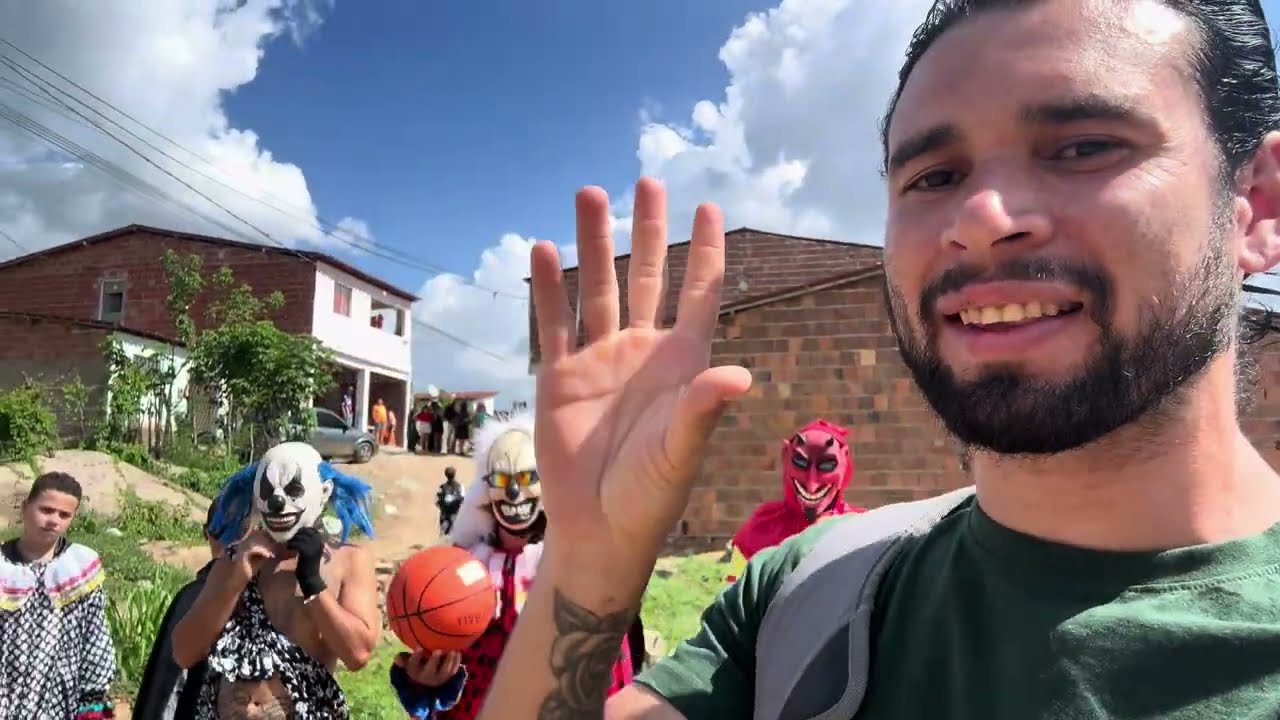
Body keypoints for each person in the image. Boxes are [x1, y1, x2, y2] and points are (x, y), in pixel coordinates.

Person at [472, 1, 1280, 715]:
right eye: (934, 175)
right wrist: (587, 561)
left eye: (1083, 146)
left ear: (1259, 206)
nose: (981, 217)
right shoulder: (807, 596)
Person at [389, 414, 645, 719]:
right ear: (485, 490)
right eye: (501, 480)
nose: (513, 492)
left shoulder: (582, 565)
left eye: (526, 478)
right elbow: (443, 665)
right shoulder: (459, 569)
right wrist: (430, 684)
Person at [172, 441, 380, 719]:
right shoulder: (237, 558)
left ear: (323, 492)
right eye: (268, 491)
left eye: (293, 490)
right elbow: (184, 652)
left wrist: (313, 583)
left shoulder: (348, 560)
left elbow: (358, 654)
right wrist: (235, 580)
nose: (278, 501)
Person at [0, 472, 116, 719]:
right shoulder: (2, 567)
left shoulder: (80, 569)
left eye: (64, 515)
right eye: (47, 510)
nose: (54, 520)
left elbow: (95, 636)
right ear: (24, 507)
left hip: (61, 697)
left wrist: (93, 699)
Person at [133, 500, 244, 719]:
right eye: (224, 530)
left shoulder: (196, 595)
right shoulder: (195, 597)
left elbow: (164, 694)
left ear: (206, 534)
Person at [725, 419, 864, 582]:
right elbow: (733, 593)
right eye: (800, 462)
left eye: (826, 465)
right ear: (785, 455)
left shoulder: (862, 528)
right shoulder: (762, 526)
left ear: (844, 462)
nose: (812, 484)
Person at [435, 466, 464, 536]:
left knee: (443, 533)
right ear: (455, 475)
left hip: (444, 514)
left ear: (446, 475)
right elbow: (463, 500)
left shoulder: (442, 487)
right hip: (454, 514)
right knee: (454, 533)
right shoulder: (459, 487)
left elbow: (437, 501)